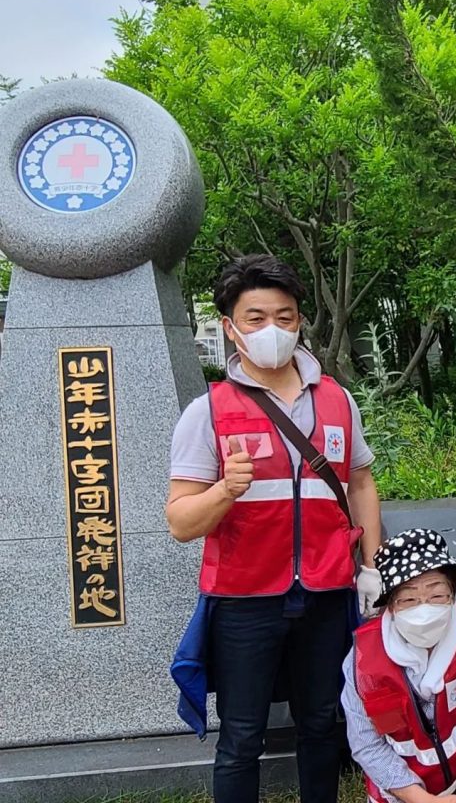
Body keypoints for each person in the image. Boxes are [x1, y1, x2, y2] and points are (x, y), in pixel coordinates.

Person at [166, 253, 383, 803]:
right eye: (256, 318)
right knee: (241, 736)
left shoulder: (337, 400)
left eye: (284, 317)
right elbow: (180, 522)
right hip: (244, 598)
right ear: (231, 327)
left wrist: (372, 567)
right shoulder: (208, 411)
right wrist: (224, 490)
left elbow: (360, 484)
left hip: (327, 590)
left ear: (301, 321)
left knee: (320, 723)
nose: (272, 330)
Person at [341, 528, 456, 803]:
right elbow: (368, 746)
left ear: (453, 593)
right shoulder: (363, 660)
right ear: (390, 604)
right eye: (409, 599)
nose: (424, 608)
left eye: (437, 595)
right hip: (402, 793)